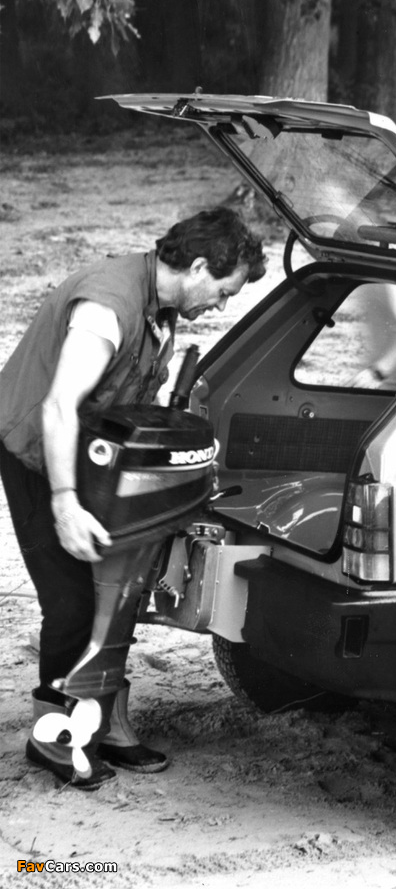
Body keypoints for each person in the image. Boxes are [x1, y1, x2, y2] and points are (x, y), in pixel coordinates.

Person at [0, 207, 266, 789]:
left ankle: (105, 724)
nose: (221, 306)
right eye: (223, 292)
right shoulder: (108, 305)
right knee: (72, 601)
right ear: (199, 267)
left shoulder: (161, 310)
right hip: (36, 453)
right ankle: (53, 736)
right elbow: (59, 406)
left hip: (95, 454)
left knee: (119, 588)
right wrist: (65, 502)